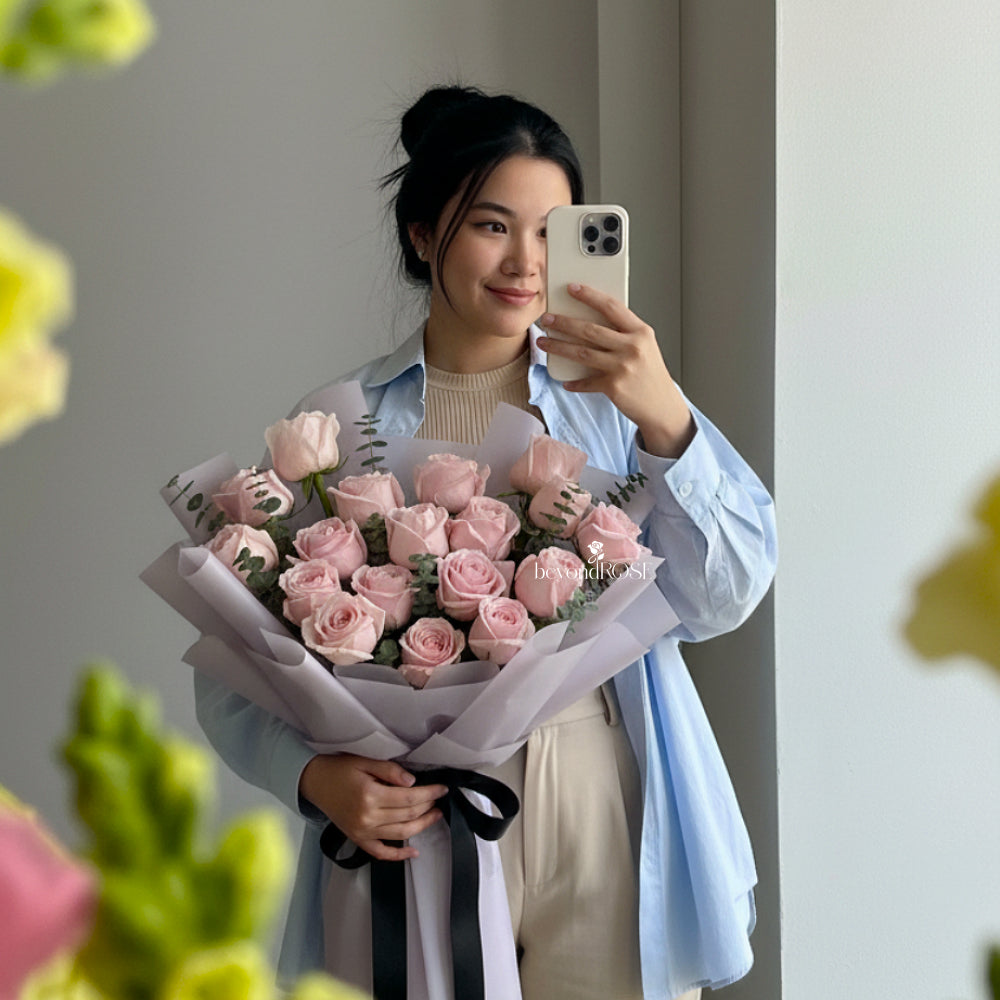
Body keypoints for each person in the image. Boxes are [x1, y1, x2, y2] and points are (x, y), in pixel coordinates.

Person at [195, 85, 777, 1000]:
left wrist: (665, 417)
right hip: (414, 812)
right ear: (425, 235)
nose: (526, 262)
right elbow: (235, 656)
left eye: (553, 231)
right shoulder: (337, 426)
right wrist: (312, 775)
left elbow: (725, 597)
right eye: (493, 226)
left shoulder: (616, 405)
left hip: (599, 789)